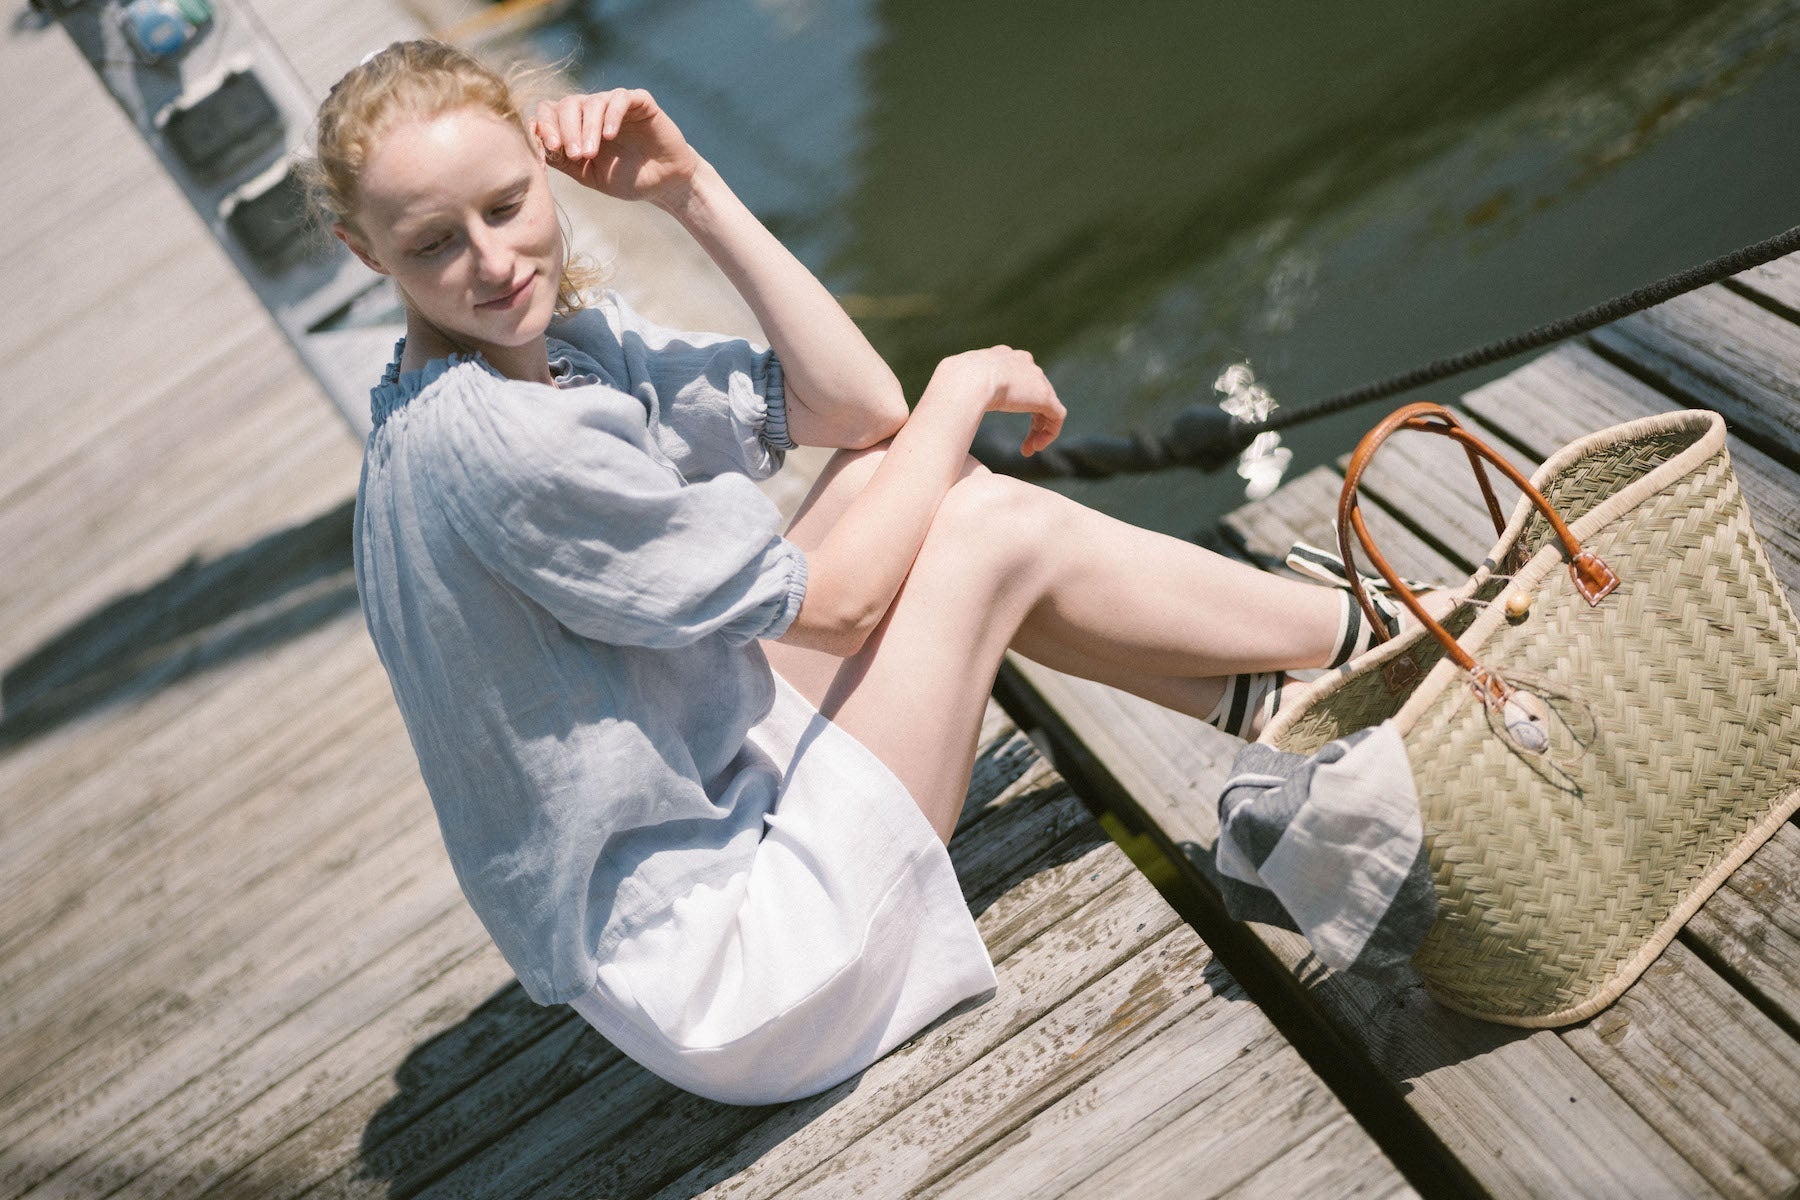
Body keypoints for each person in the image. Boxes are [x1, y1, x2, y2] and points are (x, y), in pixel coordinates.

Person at [307, 39, 1406, 1105]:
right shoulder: (506, 442)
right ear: (368, 254)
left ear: (541, 173)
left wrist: (688, 189)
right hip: (744, 968)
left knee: (898, 471)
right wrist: (963, 387)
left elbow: (855, 413)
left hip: (713, 802)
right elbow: (841, 609)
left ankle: (1286, 696)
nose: (494, 262)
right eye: (434, 244)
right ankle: (1395, 641)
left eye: (506, 207)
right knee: (985, 527)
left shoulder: (534, 359)